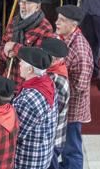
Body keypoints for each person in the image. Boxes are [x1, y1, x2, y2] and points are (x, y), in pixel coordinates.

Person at [54, 5, 93, 169]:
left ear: (74, 25)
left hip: (72, 109)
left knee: (72, 148)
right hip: (62, 104)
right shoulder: (62, 38)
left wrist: (57, 81)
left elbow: (80, 86)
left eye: (62, 20)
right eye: (57, 18)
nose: (56, 23)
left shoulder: (80, 50)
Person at [12, 47, 57, 169]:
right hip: (43, 152)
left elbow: (15, 134)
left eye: (22, 62)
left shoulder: (29, 100)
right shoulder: (47, 82)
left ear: (30, 69)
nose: (19, 64)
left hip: (28, 160)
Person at [0, 0, 54, 84]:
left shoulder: (45, 28)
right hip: (9, 77)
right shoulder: (14, 21)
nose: (22, 6)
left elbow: (39, 59)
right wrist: (6, 53)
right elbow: (2, 48)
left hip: (28, 82)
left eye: (27, 3)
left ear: (37, 6)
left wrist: (15, 48)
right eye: (21, 2)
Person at [41, 37, 71, 169]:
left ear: (54, 59)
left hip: (52, 139)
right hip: (50, 137)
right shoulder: (54, 71)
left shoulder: (57, 80)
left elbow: (51, 113)